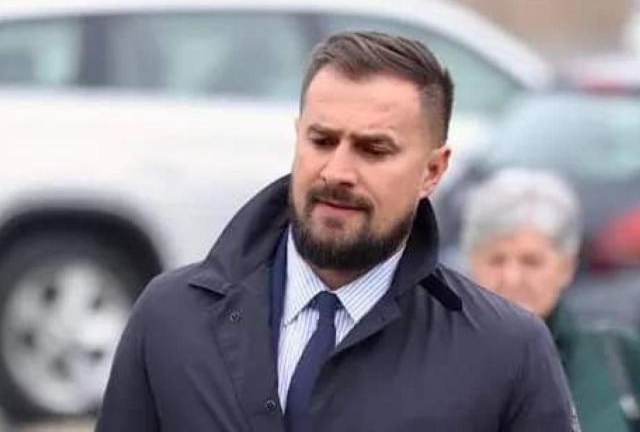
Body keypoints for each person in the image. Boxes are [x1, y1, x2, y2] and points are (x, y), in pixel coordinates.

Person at [96, 31, 577, 432]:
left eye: (374, 149)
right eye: (322, 141)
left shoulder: (507, 350)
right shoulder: (171, 318)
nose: (337, 171)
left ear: (433, 171)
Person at [462, 168, 640, 432]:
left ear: (566, 267)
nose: (512, 278)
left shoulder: (615, 356)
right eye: (496, 261)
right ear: (472, 265)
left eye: (531, 261)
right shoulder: (436, 360)